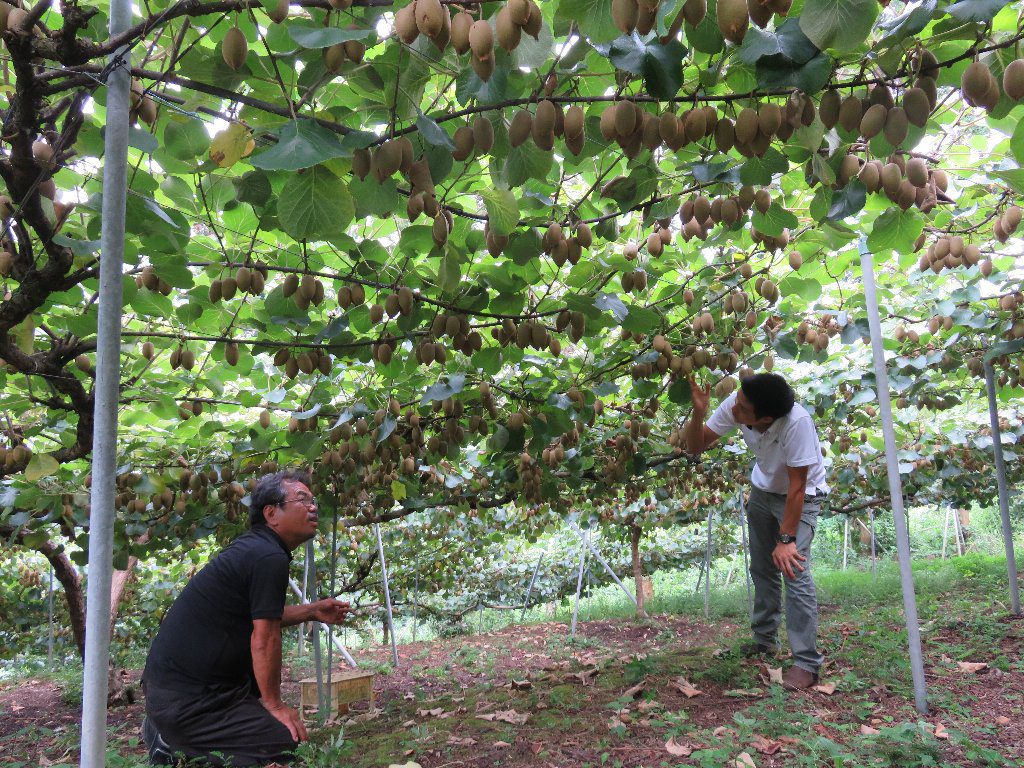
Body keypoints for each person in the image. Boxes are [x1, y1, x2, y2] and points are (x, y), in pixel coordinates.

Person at [141, 470, 350, 766]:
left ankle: (181, 737)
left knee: (275, 733)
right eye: (302, 499)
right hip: (190, 700)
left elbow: (262, 618)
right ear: (271, 513)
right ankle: (174, 743)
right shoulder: (268, 557)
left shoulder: (258, 548)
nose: (313, 506)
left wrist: (312, 610)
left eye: (313, 500)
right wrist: (274, 704)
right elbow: (264, 637)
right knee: (285, 743)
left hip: (178, 688)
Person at [686, 373, 828, 690]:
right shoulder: (740, 403)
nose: (734, 410)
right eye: (736, 402)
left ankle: (806, 663)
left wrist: (787, 540)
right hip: (763, 492)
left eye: (742, 409)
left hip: (801, 499)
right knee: (762, 568)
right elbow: (695, 446)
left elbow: (798, 487)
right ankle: (765, 641)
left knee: (794, 570)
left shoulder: (797, 424)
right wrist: (699, 413)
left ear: (764, 418)